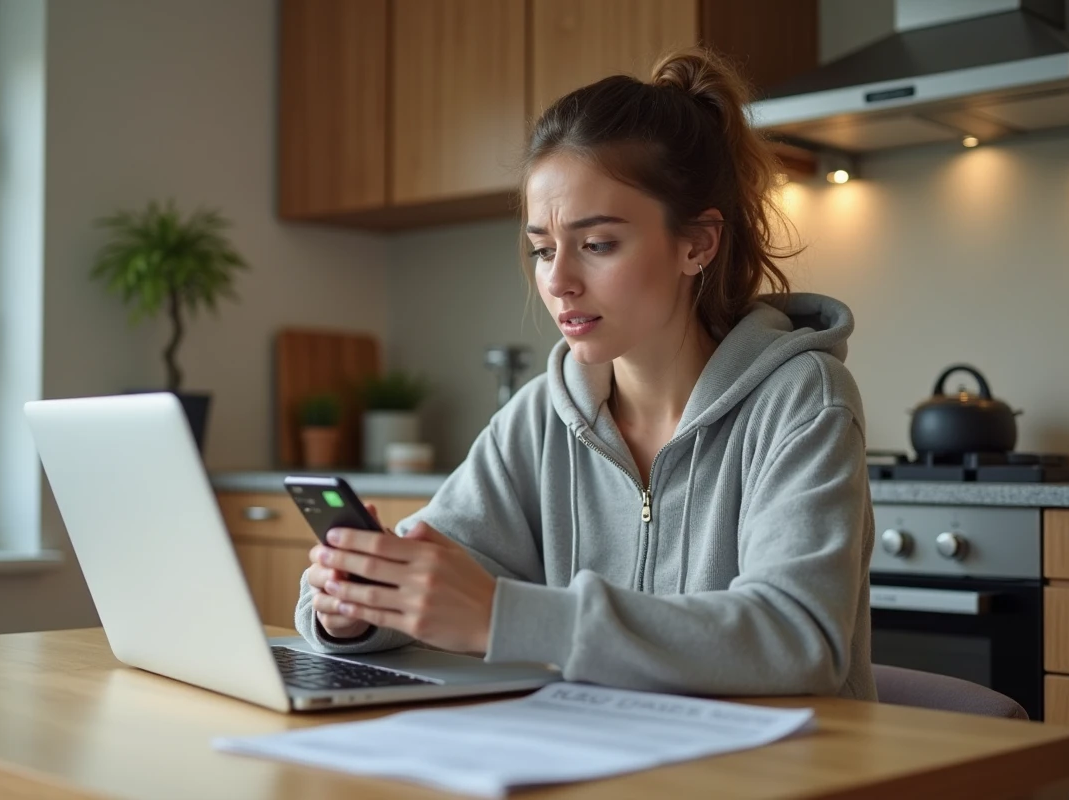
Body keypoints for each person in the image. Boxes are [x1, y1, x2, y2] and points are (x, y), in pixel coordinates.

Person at [294, 48, 876, 700]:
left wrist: (503, 617)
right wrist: (354, 606)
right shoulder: (544, 413)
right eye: (543, 249)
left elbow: (796, 638)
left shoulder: (802, 399)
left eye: (597, 245)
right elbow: (439, 568)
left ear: (698, 244)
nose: (558, 281)